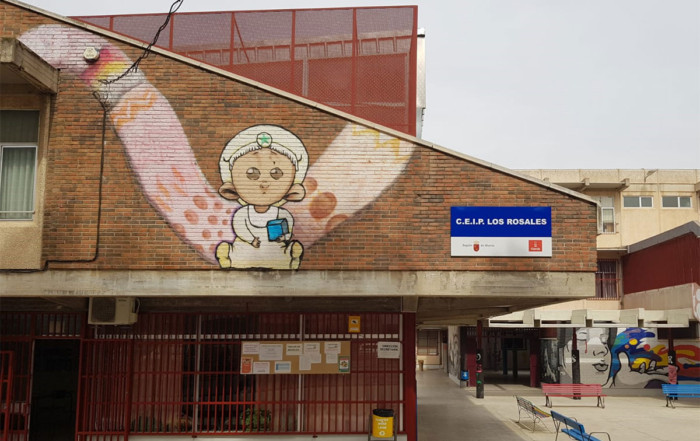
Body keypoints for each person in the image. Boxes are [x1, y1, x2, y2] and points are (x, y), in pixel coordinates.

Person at [215, 125, 308, 270]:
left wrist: (284, 237)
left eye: (276, 173)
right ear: (231, 190)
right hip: (247, 248)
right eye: (252, 173)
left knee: (282, 252)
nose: (264, 183)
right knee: (238, 251)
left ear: (293, 191)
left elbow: (288, 228)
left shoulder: (282, 214)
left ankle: (291, 256)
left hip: (275, 250)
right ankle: (228, 255)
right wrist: (251, 239)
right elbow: (239, 227)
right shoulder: (243, 213)